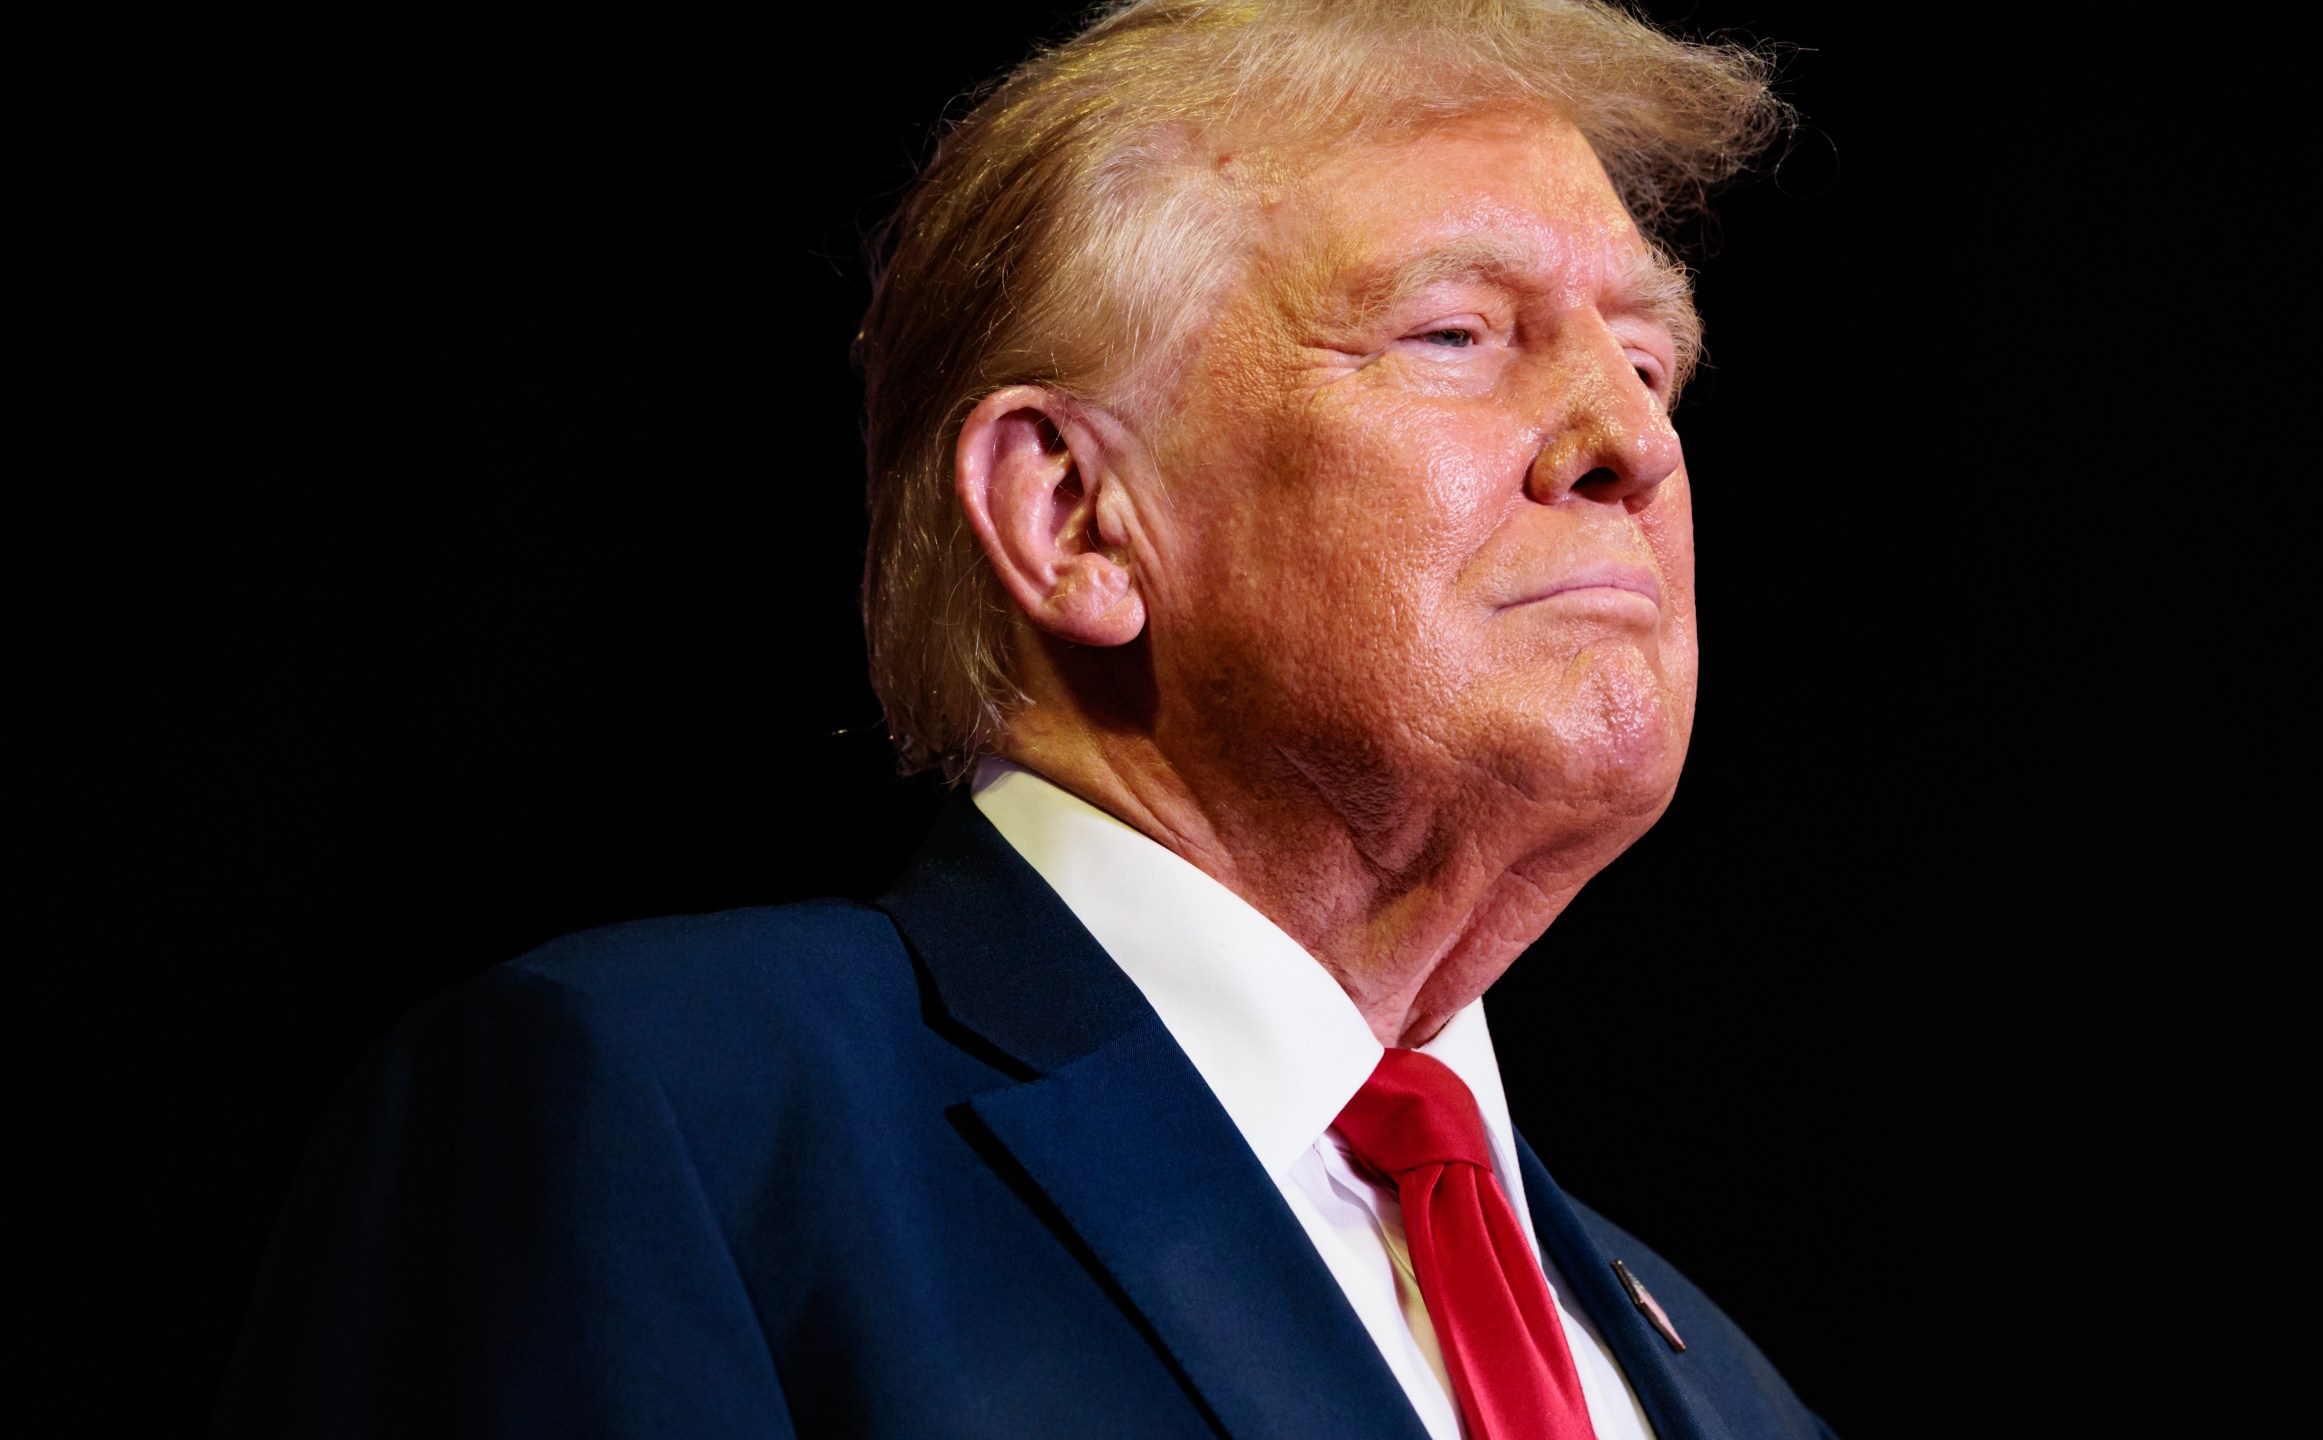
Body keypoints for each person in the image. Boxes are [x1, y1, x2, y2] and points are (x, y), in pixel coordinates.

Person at [216, 2, 1835, 1436]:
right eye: (1456, 334)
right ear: (1075, 519)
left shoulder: (1725, 1388)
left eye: (1647, 358)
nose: (1629, 439)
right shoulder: (662, 1128)